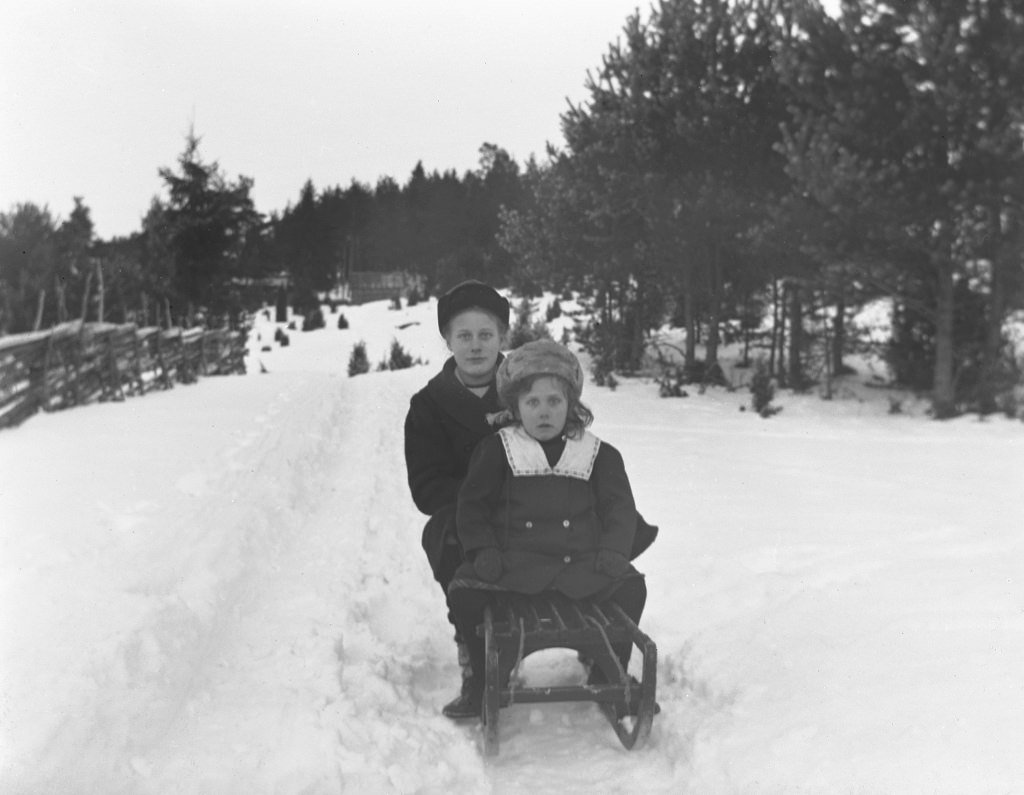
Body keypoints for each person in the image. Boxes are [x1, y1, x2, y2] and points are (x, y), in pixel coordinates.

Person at [446, 340, 649, 718]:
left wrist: (613, 551)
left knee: (631, 586)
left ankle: (609, 668)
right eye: (532, 402)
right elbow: (472, 508)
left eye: (555, 401)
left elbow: (620, 509)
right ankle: (482, 680)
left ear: (572, 404)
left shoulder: (597, 454)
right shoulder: (498, 450)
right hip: (515, 569)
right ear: (515, 407)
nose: (543, 412)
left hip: (579, 568)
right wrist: (483, 550)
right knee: (464, 592)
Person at [404, 280, 513, 717]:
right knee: (448, 541)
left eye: (486, 334)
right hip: (465, 519)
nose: (475, 346)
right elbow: (427, 487)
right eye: (463, 336)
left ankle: (592, 640)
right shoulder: (429, 405)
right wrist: (480, 498)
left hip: (530, 509)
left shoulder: (528, 389)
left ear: (503, 337)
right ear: (447, 341)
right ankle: (474, 655)